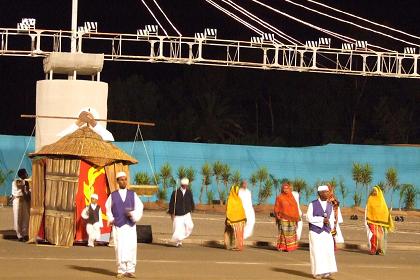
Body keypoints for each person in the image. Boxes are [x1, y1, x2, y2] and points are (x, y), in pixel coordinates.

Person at [105, 172, 144, 279]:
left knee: (131, 247)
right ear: (117, 181)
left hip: (130, 226)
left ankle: (130, 270)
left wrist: (132, 214)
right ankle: (121, 270)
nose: (123, 181)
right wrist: (112, 219)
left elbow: (140, 207)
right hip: (119, 226)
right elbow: (108, 209)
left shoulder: (133, 194)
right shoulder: (113, 195)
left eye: (125, 179)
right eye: (121, 180)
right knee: (119, 248)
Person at [306, 185, 337, 280]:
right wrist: (321, 220)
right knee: (317, 252)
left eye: (328, 192)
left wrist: (333, 231)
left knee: (328, 251)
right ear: (320, 193)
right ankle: (317, 273)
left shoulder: (330, 205)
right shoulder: (312, 204)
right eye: (325, 192)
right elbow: (308, 218)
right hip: (315, 232)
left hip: (327, 232)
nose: (327, 194)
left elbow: (331, 219)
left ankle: (327, 273)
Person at [365, 185, 394, 255]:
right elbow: (367, 210)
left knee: (381, 235)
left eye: (375, 191)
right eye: (373, 190)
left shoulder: (381, 200)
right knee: (374, 234)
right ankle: (373, 249)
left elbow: (384, 211)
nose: (374, 192)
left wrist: (388, 217)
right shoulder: (370, 199)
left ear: (378, 192)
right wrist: (367, 220)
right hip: (371, 220)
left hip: (379, 222)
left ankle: (379, 250)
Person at [168, 177, 195, 247]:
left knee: (190, 226)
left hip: (186, 213)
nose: (185, 186)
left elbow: (191, 201)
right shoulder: (175, 192)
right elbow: (171, 203)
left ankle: (181, 237)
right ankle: (178, 242)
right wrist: (171, 213)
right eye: (184, 185)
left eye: (186, 185)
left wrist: (192, 208)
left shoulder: (189, 192)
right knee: (178, 229)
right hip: (178, 213)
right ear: (181, 184)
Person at [274, 182, 300, 252]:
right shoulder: (279, 197)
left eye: (287, 188)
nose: (285, 190)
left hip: (292, 219)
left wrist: (296, 218)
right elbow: (276, 207)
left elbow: (295, 208)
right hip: (283, 218)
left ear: (289, 189)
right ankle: (282, 247)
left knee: (291, 233)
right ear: (282, 189)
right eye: (284, 188)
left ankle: (291, 247)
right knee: (283, 233)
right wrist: (277, 215)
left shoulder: (292, 197)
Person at [224, 184, 246, 251]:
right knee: (239, 233)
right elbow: (242, 209)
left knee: (235, 233)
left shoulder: (230, 199)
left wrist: (228, 219)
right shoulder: (239, 199)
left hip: (233, 220)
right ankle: (240, 246)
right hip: (241, 219)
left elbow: (228, 210)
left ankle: (235, 246)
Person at [11, 168, 31, 242]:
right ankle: (19, 235)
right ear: (22, 174)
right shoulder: (16, 181)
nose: (27, 174)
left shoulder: (26, 182)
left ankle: (25, 234)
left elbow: (27, 192)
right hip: (17, 200)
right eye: (25, 173)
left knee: (26, 217)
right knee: (18, 217)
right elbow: (21, 187)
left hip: (24, 201)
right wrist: (26, 187)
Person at [327, 184, 344, 249]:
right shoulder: (324, 197)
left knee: (333, 229)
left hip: (332, 216)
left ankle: (334, 244)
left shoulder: (332, 197)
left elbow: (336, 204)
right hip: (327, 216)